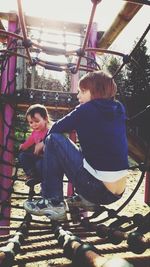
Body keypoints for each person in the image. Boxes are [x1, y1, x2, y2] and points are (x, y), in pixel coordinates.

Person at [24, 70, 129, 220]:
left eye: (82, 91)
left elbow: (55, 129)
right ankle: (87, 200)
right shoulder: (119, 108)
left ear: (94, 92)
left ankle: (53, 201)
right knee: (91, 148)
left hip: (95, 188)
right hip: (118, 193)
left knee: (53, 139)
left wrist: (42, 143)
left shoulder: (85, 110)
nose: (78, 96)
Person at [18, 104, 52, 185]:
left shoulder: (50, 130)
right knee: (22, 156)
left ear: (45, 119)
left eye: (37, 121)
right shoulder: (34, 133)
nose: (34, 125)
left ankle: (43, 181)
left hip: (48, 159)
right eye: (31, 122)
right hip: (38, 156)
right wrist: (23, 146)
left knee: (39, 164)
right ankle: (32, 175)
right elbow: (29, 142)